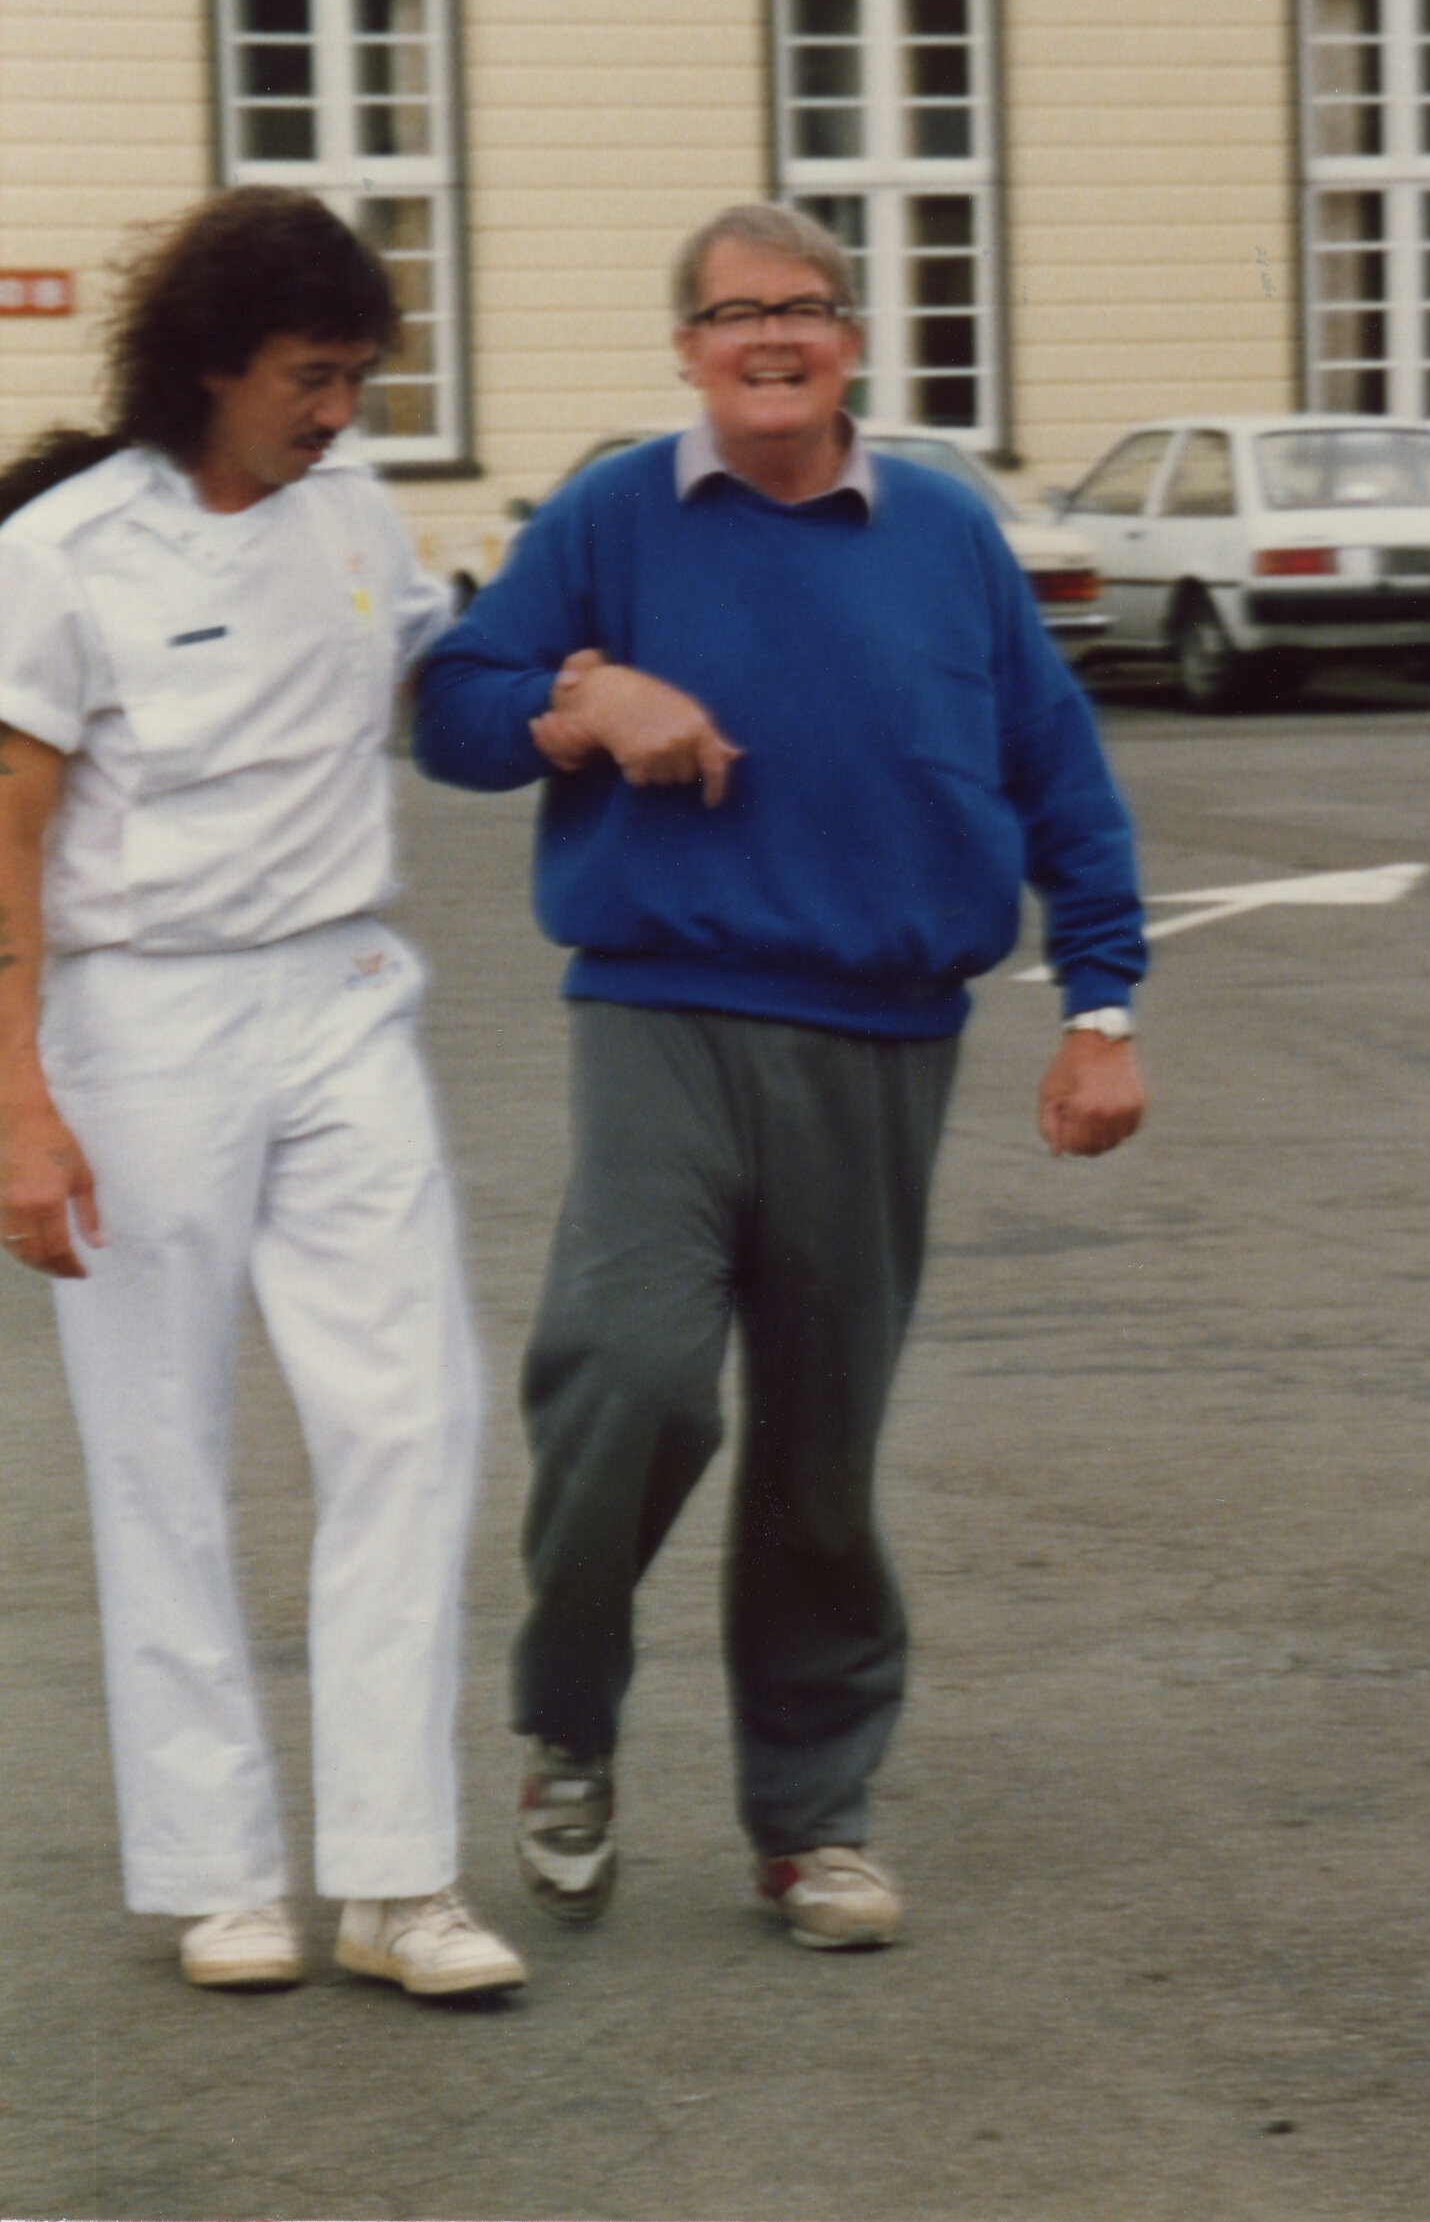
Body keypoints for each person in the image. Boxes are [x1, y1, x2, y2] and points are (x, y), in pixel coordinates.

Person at [414, 201, 1146, 1951]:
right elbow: (451, 706)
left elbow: (1061, 771)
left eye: (804, 310)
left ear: (853, 341)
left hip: (885, 1037)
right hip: (662, 1011)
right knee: (634, 1374)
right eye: (734, 313)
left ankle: (810, 1823)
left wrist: (1104, 1005)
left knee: (825, 1448)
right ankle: (569, 1728)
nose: (771, 338)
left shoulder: (949, 534)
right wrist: (586, 703)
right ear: (684, 347)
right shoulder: (608, 516)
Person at [0, 187, 525, 1999]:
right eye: (311, 377)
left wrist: (584, 684)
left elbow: (451, 675)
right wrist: (14, 1100)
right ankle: (220, 1874)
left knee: (414, 1418)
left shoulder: (359, 513)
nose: (336, 415)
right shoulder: (66, 551)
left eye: (359, 378)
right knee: (159, 1448)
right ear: (211, 364)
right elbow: (10, 829)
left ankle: (397, 1876)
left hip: (337, 995)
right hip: (136, 1021)